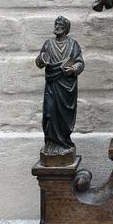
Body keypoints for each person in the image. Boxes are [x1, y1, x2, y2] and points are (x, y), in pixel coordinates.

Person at [36, 16, 84, 159]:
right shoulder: (48, 44)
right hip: (52, 85)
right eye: (56, 24)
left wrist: (73, 69)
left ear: (66, 28)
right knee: (49, 113)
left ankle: (64, 144)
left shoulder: (73, 44)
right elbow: (39, 61)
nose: (57, 27)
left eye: (60, 25)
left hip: (67, 87)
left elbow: (80, 63)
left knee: (64, 116)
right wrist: (41, 60)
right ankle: (51, 144)